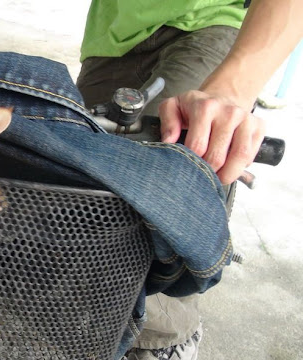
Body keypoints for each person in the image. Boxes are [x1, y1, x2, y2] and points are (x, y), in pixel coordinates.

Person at [75, 0, 303, 359]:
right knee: (76, 189)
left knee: (170, 185)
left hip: (211, 20)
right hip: (112, 35)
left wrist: (230, 91)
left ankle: (161, 343)